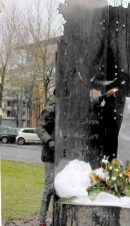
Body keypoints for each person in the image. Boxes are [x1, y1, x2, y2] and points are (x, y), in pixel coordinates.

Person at [36, 90, 56, 226]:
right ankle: (42, 220)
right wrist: (49, 141)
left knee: (61, 187)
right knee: (49, 187)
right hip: (51, 155)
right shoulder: (51, 109)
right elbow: (40, 128)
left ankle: (56, 218)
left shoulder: (64, 109)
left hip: (63, 155)